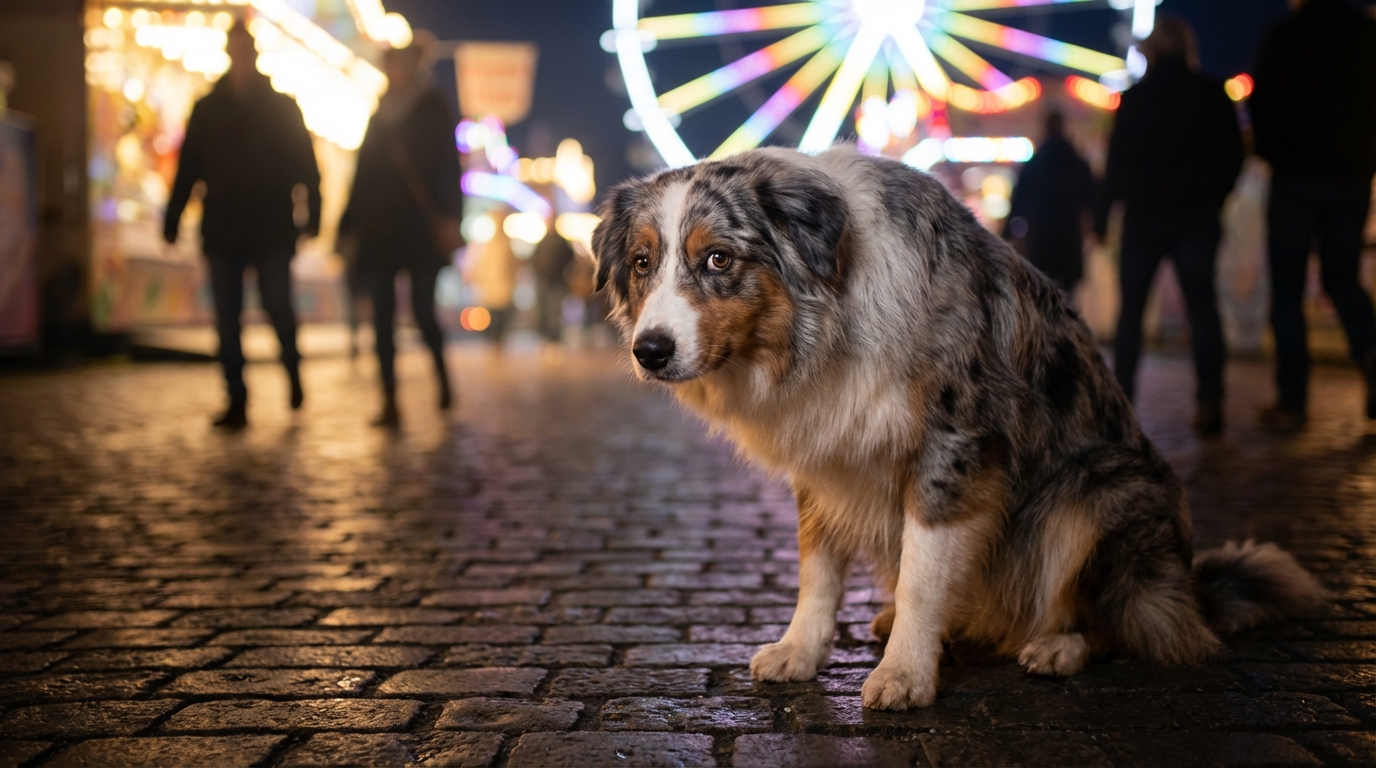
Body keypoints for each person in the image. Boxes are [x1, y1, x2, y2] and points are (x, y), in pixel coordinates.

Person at [164, 20, 320, 429]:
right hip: (225, 226)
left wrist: (313, 216)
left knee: (277, 307)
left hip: (269, 226)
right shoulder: (209, 108)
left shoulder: (281, 106)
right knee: (227, 318)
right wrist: (172, 215)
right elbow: (188, 168)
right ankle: (236, 398)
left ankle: (291, 372)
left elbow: (307, 167)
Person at [1096, 16, 1243, 436]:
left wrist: (1105, 216)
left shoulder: (1136, 99)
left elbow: (1116, 165)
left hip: (1144, 218)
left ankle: (1121, 404)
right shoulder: (1214, 95)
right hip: (1196, 218)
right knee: (1203, 311)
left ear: (1153, 50)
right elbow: (1233, 157)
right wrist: (1215, 197)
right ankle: (1210, 398)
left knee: (1131, 317)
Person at [1250, 0, 1376, 429]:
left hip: (1294, 177)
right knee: (1343, 278)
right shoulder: (1365, 34)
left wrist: (1275, 153)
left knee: (1287, 289)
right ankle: (1370, 351)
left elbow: (1262, 103)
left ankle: (1292, 400)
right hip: (1351, 177)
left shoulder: (1284, 35)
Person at [339, 39, 461, 427]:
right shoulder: (380, 111)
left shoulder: (433, 108)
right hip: (379, 229)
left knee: (424, 311)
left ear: (410, 67)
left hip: (420, 230)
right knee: (382, 318)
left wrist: (450, 216)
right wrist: (347, 224)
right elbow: (363, 172)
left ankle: (442, 380)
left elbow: (448, 167)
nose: (391, 71)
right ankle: (389, 400)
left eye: (396, 64)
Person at [1004, 110, 1095, 295]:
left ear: (1045, 128)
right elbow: (1090, 202)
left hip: (1040, 242)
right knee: (1068, 300)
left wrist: (1005, 237)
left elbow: (1018, 205)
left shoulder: (1033, 166)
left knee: (1043, 298)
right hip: (1069, 241)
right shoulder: (1078, 165)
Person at [532, 219, 574, 345]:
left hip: (557, 281)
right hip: (543, 281)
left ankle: (554, 340)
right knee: (543, 310)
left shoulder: (561, 241)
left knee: (554, 313)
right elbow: (534, 259)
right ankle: (546, 339)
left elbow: (570, 257)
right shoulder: (542, 242)